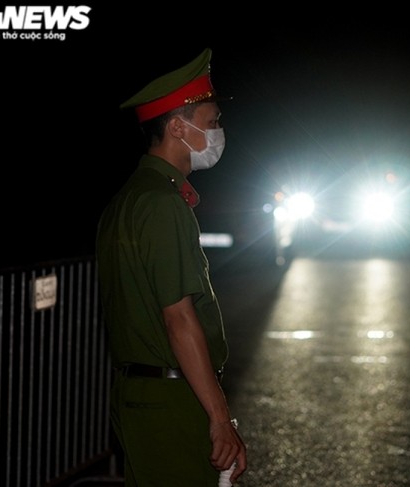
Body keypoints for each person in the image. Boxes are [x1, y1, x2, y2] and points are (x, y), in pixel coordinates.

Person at [96, 48, 247, 486]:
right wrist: (221, 418)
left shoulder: (127, 200)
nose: (219, 131)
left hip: (140, 394)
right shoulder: (163, 205)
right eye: (212, 121)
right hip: (171, 397)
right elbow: (178, 317)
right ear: (178, 127)